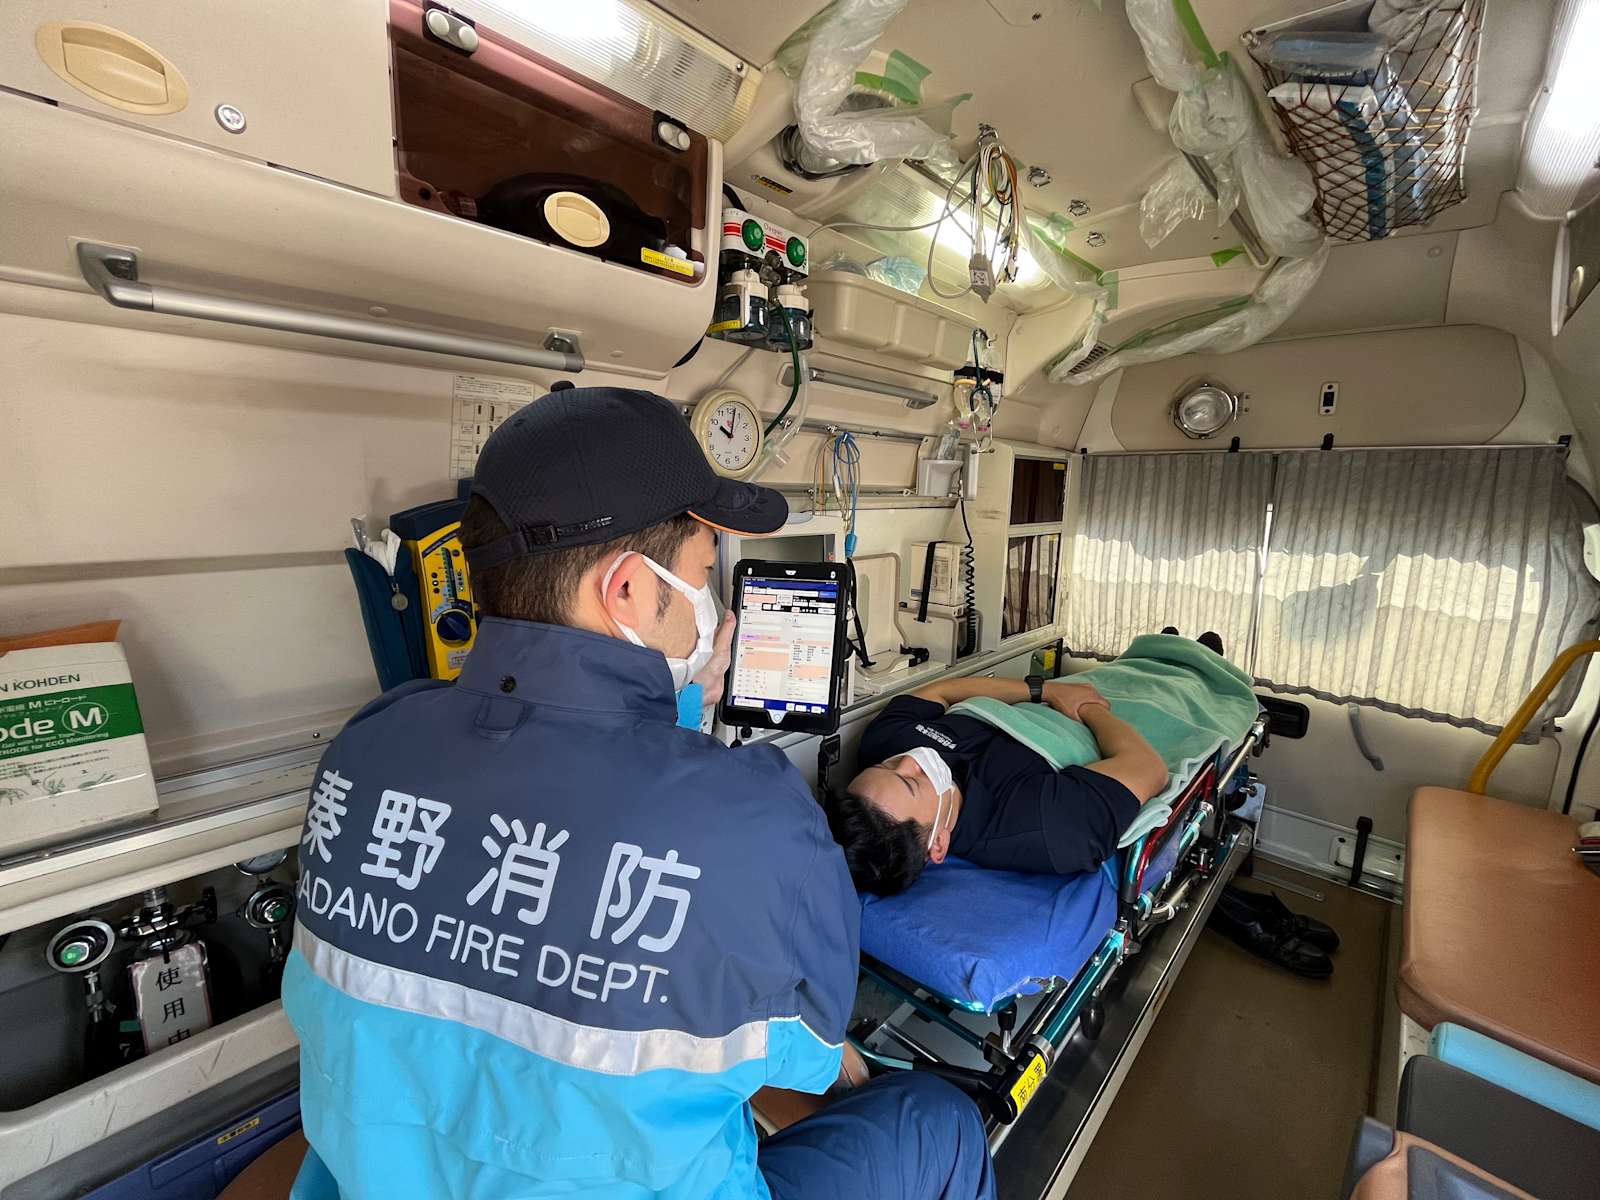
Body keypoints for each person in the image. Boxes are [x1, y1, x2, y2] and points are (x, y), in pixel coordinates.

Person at [281, 386, 994, 1200]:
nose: (709, 605)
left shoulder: (366, 747)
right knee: (938, 1120)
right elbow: (807, 1055)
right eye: (701, 573)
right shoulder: (758, 821)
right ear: (626, 590)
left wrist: (675, 710)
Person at [829, 673, 1169, 895]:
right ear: (938, 844)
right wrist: (1090, 708)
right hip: (1109, 708)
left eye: (885, 765)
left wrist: (1046, 690)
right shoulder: (1043, 825)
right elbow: (1148, 767)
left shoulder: (882, 741)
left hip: (1056, 691)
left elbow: (942, 691)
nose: (909, 759)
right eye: (912, 783)